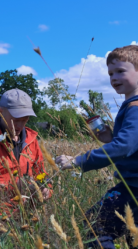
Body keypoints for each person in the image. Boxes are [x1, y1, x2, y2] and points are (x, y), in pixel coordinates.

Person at [56, 45, 138, 249]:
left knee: (93, 227)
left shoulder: (135, 108)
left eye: (121, 71)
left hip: (133, 189)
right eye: (111, 73)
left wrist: (77, 161)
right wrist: (110, 137)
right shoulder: (129, 106)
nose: (114, 77)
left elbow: (124, 147)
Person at [0, 88, 52, 202]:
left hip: (30, 214)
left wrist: (47, 189)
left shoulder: (31, 140)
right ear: (1, 112)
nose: (20, 125)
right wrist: (13, 187)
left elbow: (41, 175)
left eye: (25, 119)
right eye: (16, 120)